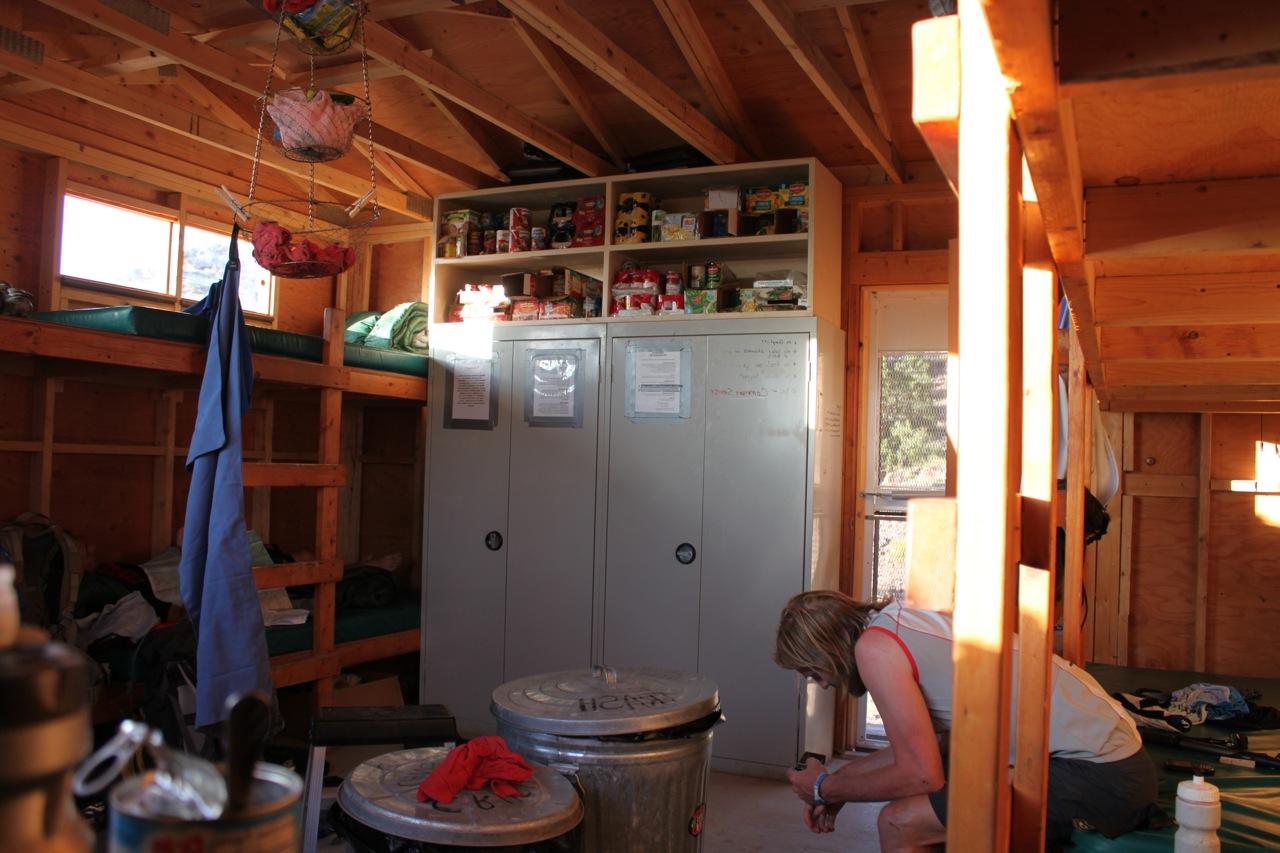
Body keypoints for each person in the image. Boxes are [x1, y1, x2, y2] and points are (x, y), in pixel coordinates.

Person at [774, 590, 1159, 852]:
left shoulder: (873, 650)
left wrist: (827, 791)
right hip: (1111, 765)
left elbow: (923, 775)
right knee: (930, 805)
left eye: (814, 672)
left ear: (828, 650)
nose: (822, 685)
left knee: (898, 822)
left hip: (1101, 776)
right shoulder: (894, 625)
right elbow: (926, 751)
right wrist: (835, 784)